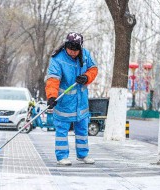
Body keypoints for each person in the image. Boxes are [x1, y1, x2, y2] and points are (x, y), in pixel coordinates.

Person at [45, 32, 98, 166]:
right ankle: (62, 156)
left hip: (81, 102)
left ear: (80, 48)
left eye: (76, 50)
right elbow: (53, 79)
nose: (73, 53)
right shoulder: (57, 59)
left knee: (82, 130)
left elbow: (93, 69)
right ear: (66, 46)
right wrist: (51, 96)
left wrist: (86, 77)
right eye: (70, 50)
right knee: (62, 130)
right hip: (64, 103)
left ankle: (83, 155)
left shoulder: (85, 54)